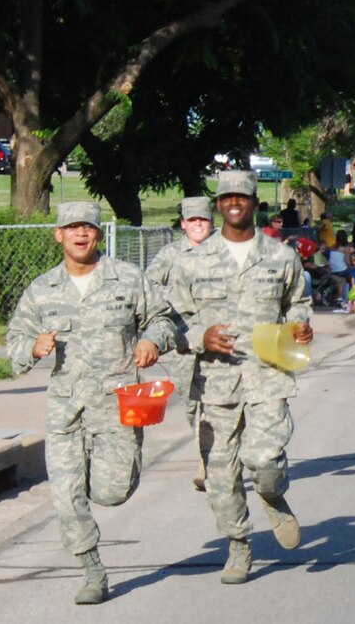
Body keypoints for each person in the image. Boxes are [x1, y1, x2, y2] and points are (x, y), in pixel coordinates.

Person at [4, 202, 176, 604]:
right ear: (58, 234)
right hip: (67, 410)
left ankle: (108, 490)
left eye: (89, 227)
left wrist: (152, 340)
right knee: (66, 496)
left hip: (119, 406)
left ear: (99, 234)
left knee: (113, 492)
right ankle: (91, 569)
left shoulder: (128, 278)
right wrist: (33, 346)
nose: (81, 234)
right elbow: (14, 342)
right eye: (72, 227)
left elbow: (164, 318)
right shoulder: (42, 289)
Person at [164, 170, 312, 584]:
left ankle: (271, 493)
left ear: (253, 203)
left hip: (268, 373)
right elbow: (169, 320)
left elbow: (299, 303)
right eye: (226, 197)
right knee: (221, 474)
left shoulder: (282, 256)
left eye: (242, 197)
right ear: (218, 204)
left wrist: (301, 325)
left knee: (263, 461)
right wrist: (199, 336)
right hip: (214, 381)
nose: (234, 203)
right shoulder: (191, 262)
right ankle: (238, 546)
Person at [145, 198, 216, 490]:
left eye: (204, 219)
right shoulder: (170, 254)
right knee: (190, 403)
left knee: (217, 401)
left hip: (219, 338)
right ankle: (206, 452)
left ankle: (213, 461)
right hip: (184, 338)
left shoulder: (224, 251)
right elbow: (148, 285)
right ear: (183, 224)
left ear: (212, 223)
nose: (198, 224)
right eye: (193, 219)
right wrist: (172, 298)